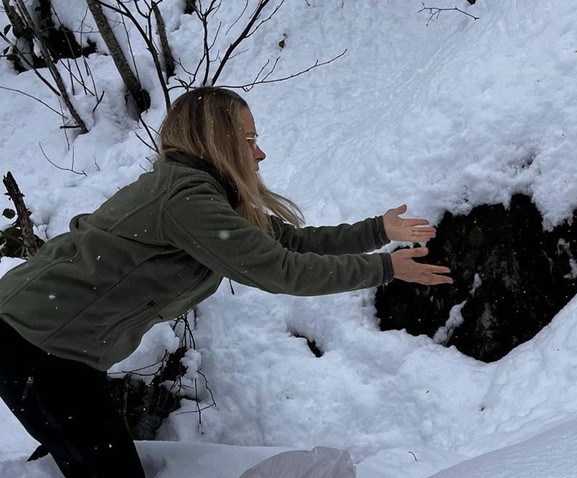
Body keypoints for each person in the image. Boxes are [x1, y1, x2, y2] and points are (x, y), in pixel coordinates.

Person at [0, 86, 452, 477]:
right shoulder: (186, 201)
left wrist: (378, 232)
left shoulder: (201, 195)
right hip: (35, 343)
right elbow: (282, 271)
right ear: (217, 140)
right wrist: (387, 269)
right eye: (250, 139)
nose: (260, 153)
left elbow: (289, 242)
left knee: (82, 460)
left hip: (55, 343)